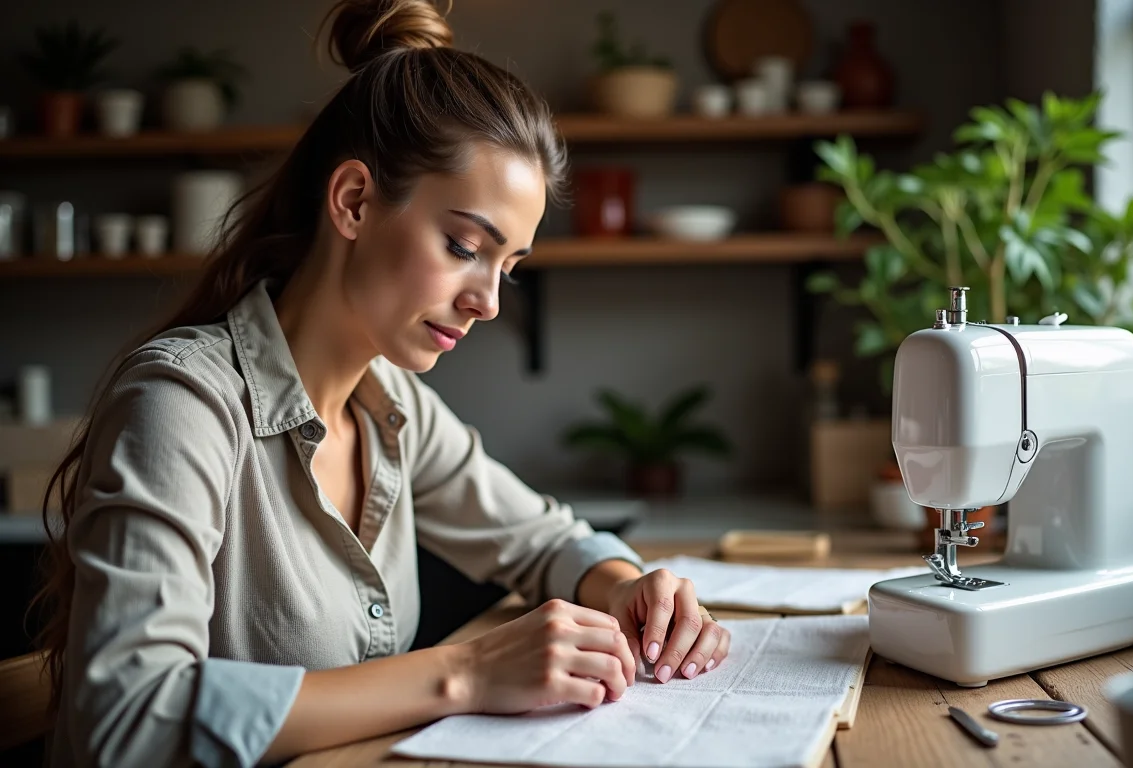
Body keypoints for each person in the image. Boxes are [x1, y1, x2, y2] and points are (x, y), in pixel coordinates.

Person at [34, 1, 730, 765]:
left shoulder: (392, 409)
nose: (489, 301)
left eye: (509, 267)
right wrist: (464, 673)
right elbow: (127, 718)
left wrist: (627, 585)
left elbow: (541, 540)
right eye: (464, 245)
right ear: (355, 202)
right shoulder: (181, 407)